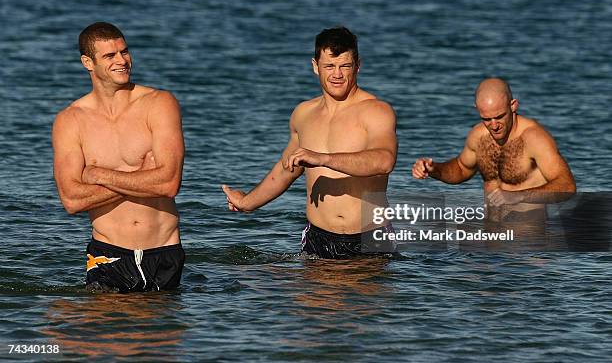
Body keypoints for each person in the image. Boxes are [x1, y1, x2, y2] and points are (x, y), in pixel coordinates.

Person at [222, 26, 398, 259]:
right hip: (318, 237)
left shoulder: (376, 111)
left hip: (368, 237)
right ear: (315, 66)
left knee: (359, 295)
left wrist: (322, 158)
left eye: (345, 66)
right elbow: (287, 168)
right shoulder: (303, 114)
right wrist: (247, 202)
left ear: (358, 66)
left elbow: (384, 161)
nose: (337, 74)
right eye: (329, 66)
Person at [52, 22, 185, 292]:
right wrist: (143, 178)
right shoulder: (70, 121)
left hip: (163, 252)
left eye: (124, 52)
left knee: (159, 334)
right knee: (105, 332)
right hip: (107, 253)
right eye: (110, 56)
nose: (122, 61)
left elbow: (169, 183)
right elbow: (71, 200)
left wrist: (98, 175)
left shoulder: (159, 103)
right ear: (88, 63)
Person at [412, 78, 576, 220]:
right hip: (492, 242)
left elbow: (567, 187)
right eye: (486, 119)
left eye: (499, 117)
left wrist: (517, 196)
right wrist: (434, 170)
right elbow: (462, 169)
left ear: (513, 106)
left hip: (528, 245)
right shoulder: (479, 136)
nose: (494, 125)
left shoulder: (534, 139)